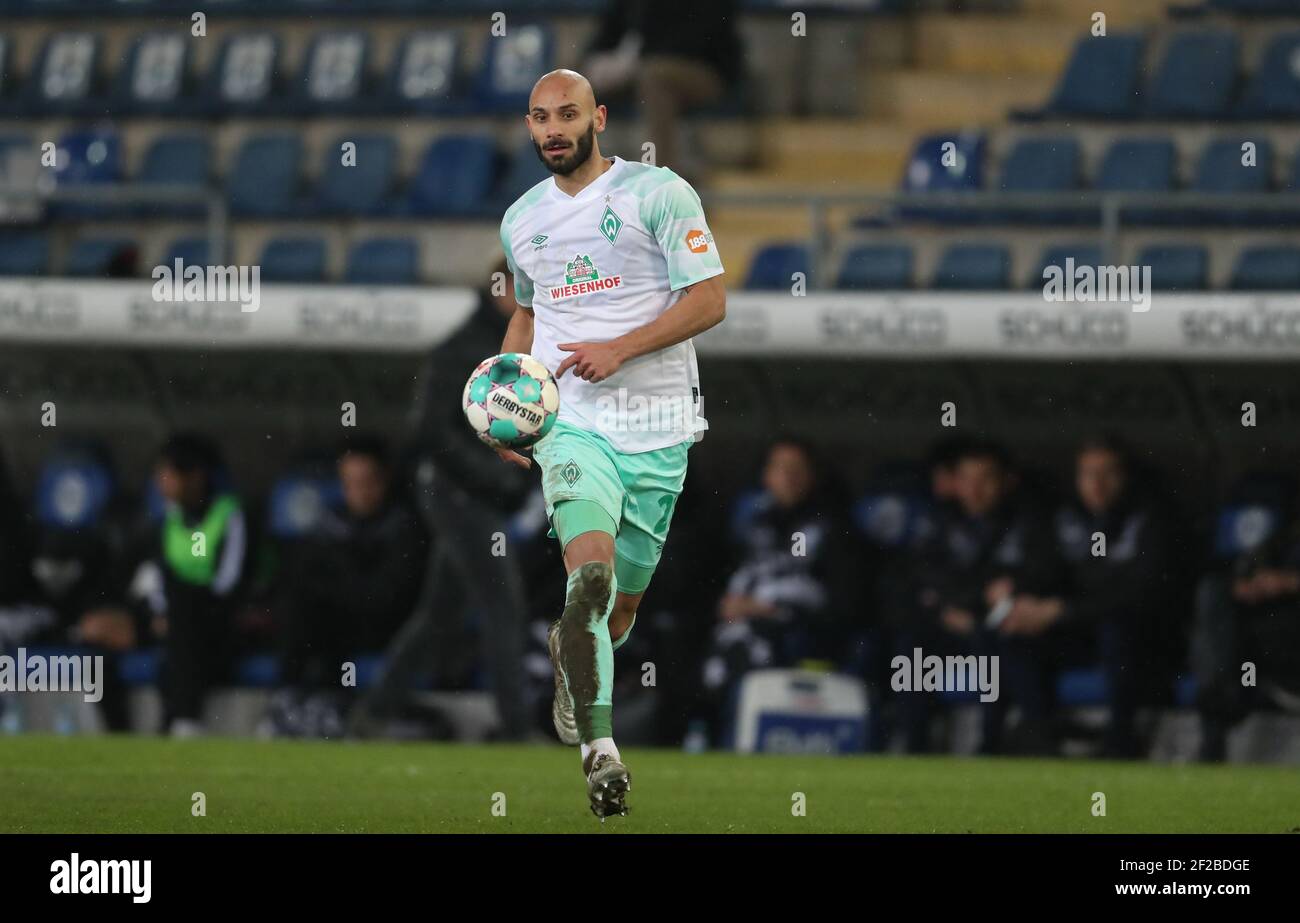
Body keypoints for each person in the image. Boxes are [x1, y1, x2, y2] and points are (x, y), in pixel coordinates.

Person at [496, 68, 726, 817]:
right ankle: (601, 754)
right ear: (529, 128)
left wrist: (622, 347)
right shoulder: (521, 219)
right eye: (539, 117)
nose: (553, 128)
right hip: (575, 424)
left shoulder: (658, 194)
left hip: (659, 431)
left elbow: (709, 299)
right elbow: (528, 317)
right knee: (586, 577)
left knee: (618, 612)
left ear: (598, 117)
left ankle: (577, 659)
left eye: (567, 113)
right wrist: (508, 395)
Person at [350, 271, 534, 741]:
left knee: (441, 615)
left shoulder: (508, 342)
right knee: (503, 606)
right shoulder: (463, 348)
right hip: (456, 493)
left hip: (470, 494)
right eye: (524, 286)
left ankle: (373, 712)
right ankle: (515, 728)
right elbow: (430, 432)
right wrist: (497, 474)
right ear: (501, 288)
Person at [1000, 437, 1182, 758]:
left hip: (1144, 638)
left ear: (1125, 477)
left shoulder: (1153, 517)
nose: (1096, 484)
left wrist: (1063, 610)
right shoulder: (1066, 517)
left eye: (1107, 473)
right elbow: (1044, 573)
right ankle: (1040, 735)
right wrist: (1018, 595)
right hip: (1079, 631)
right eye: (1087, 474)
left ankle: (1121, 738)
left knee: (1117, 629)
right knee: (1018, 634)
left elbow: (1140, 593)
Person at [903, 440, 1061, 754]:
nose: (974, 489)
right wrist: (964, 603)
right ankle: (914, 746)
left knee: (1004, 641)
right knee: (911, 647)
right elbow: (924, 577)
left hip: (1008, 626)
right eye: (966, 479)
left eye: (985, 479)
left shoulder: (1030, 520)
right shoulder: (941, 522)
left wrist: (1001, 593)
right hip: (952, 627)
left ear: (1007, 481)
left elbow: (1046, 575)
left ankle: (1002, 742)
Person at [698, 438, 857, 747]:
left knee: (748, 651)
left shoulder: (833, 529)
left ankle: (736, 745)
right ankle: (706, 741)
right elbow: (724, 583)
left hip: (802, 631)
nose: (787, 477)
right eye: (779, 468)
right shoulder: (750, 525)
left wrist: (772, 610)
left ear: (812, 475)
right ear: (766, 475)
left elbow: (843, 601)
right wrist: (728, 605)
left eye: (796, 469)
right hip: (738, 628)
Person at [271, 437, 428, 738]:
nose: (359, 492)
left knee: (324, 610)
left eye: (367, 482)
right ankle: (292, 697)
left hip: (386, 629)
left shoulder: (405, 528)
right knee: (299, 604)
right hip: (336, 626)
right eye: (350, 483)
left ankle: (330, 704)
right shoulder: (331, 525)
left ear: (385, 481)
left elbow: (385, 596)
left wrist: (340, 584)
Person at [144, 434, 247, 737]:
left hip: (218, 621)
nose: (160, 481)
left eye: (168, 473)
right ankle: (174, 717)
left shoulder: (228, 515)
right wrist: (161, 611)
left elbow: (229, 582)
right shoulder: (169, 516)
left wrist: (184, 605)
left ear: (195, 476)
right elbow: (159, 572)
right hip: (176, 620)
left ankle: (185, 716)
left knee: (185, 610)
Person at [585, 0, 744, 183]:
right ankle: (581, 184)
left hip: (706, 69)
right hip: (640, 66)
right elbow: (612, 28)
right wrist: (597, 60)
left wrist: (638, 58)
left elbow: (702, 37)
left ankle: (661, 182)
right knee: (574, 80)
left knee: (655, 76)